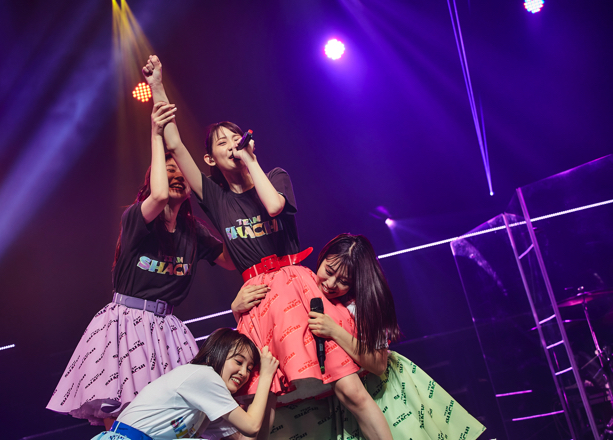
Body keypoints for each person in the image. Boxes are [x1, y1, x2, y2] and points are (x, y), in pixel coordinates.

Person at [142, 55, 393, 440]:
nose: (231, 144)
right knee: (263, 407)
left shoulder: (275, 176)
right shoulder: (215, 197)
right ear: (210, 158)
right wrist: (158, 86)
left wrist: (250, 161)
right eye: (221, 142)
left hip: (298, 288)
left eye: (235, 137)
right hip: (259, 298)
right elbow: (174, 143)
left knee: (349, 389)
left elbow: (274, 206)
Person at [47, 98, 234, 429]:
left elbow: (234, 261)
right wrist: (156, 135)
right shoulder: (136, 218)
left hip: (168, 330)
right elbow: (159, 196)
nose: (177, 175)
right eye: (169, 170)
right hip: (126, 324)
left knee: (179, 419)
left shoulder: (195, 232)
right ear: (153, 179)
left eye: (182, 172)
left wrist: (225, 205)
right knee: (124, 417)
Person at [266, 233, 485, 439]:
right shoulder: (304, 292)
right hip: (343, 398)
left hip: (384, 391)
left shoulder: (364, 303)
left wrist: (334, 330)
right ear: (321, 258)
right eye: (329, 271)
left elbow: (378, 365)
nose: (331, 284)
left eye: (344, 281)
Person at [91, 328, 280, 440]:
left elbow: (248, 437)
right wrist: (265, 376)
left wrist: (271, 393)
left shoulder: (207, 405)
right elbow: (251, 426)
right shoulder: (204, 377)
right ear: (217, 353)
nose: (244, 373)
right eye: (238, 362)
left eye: (249, 369)